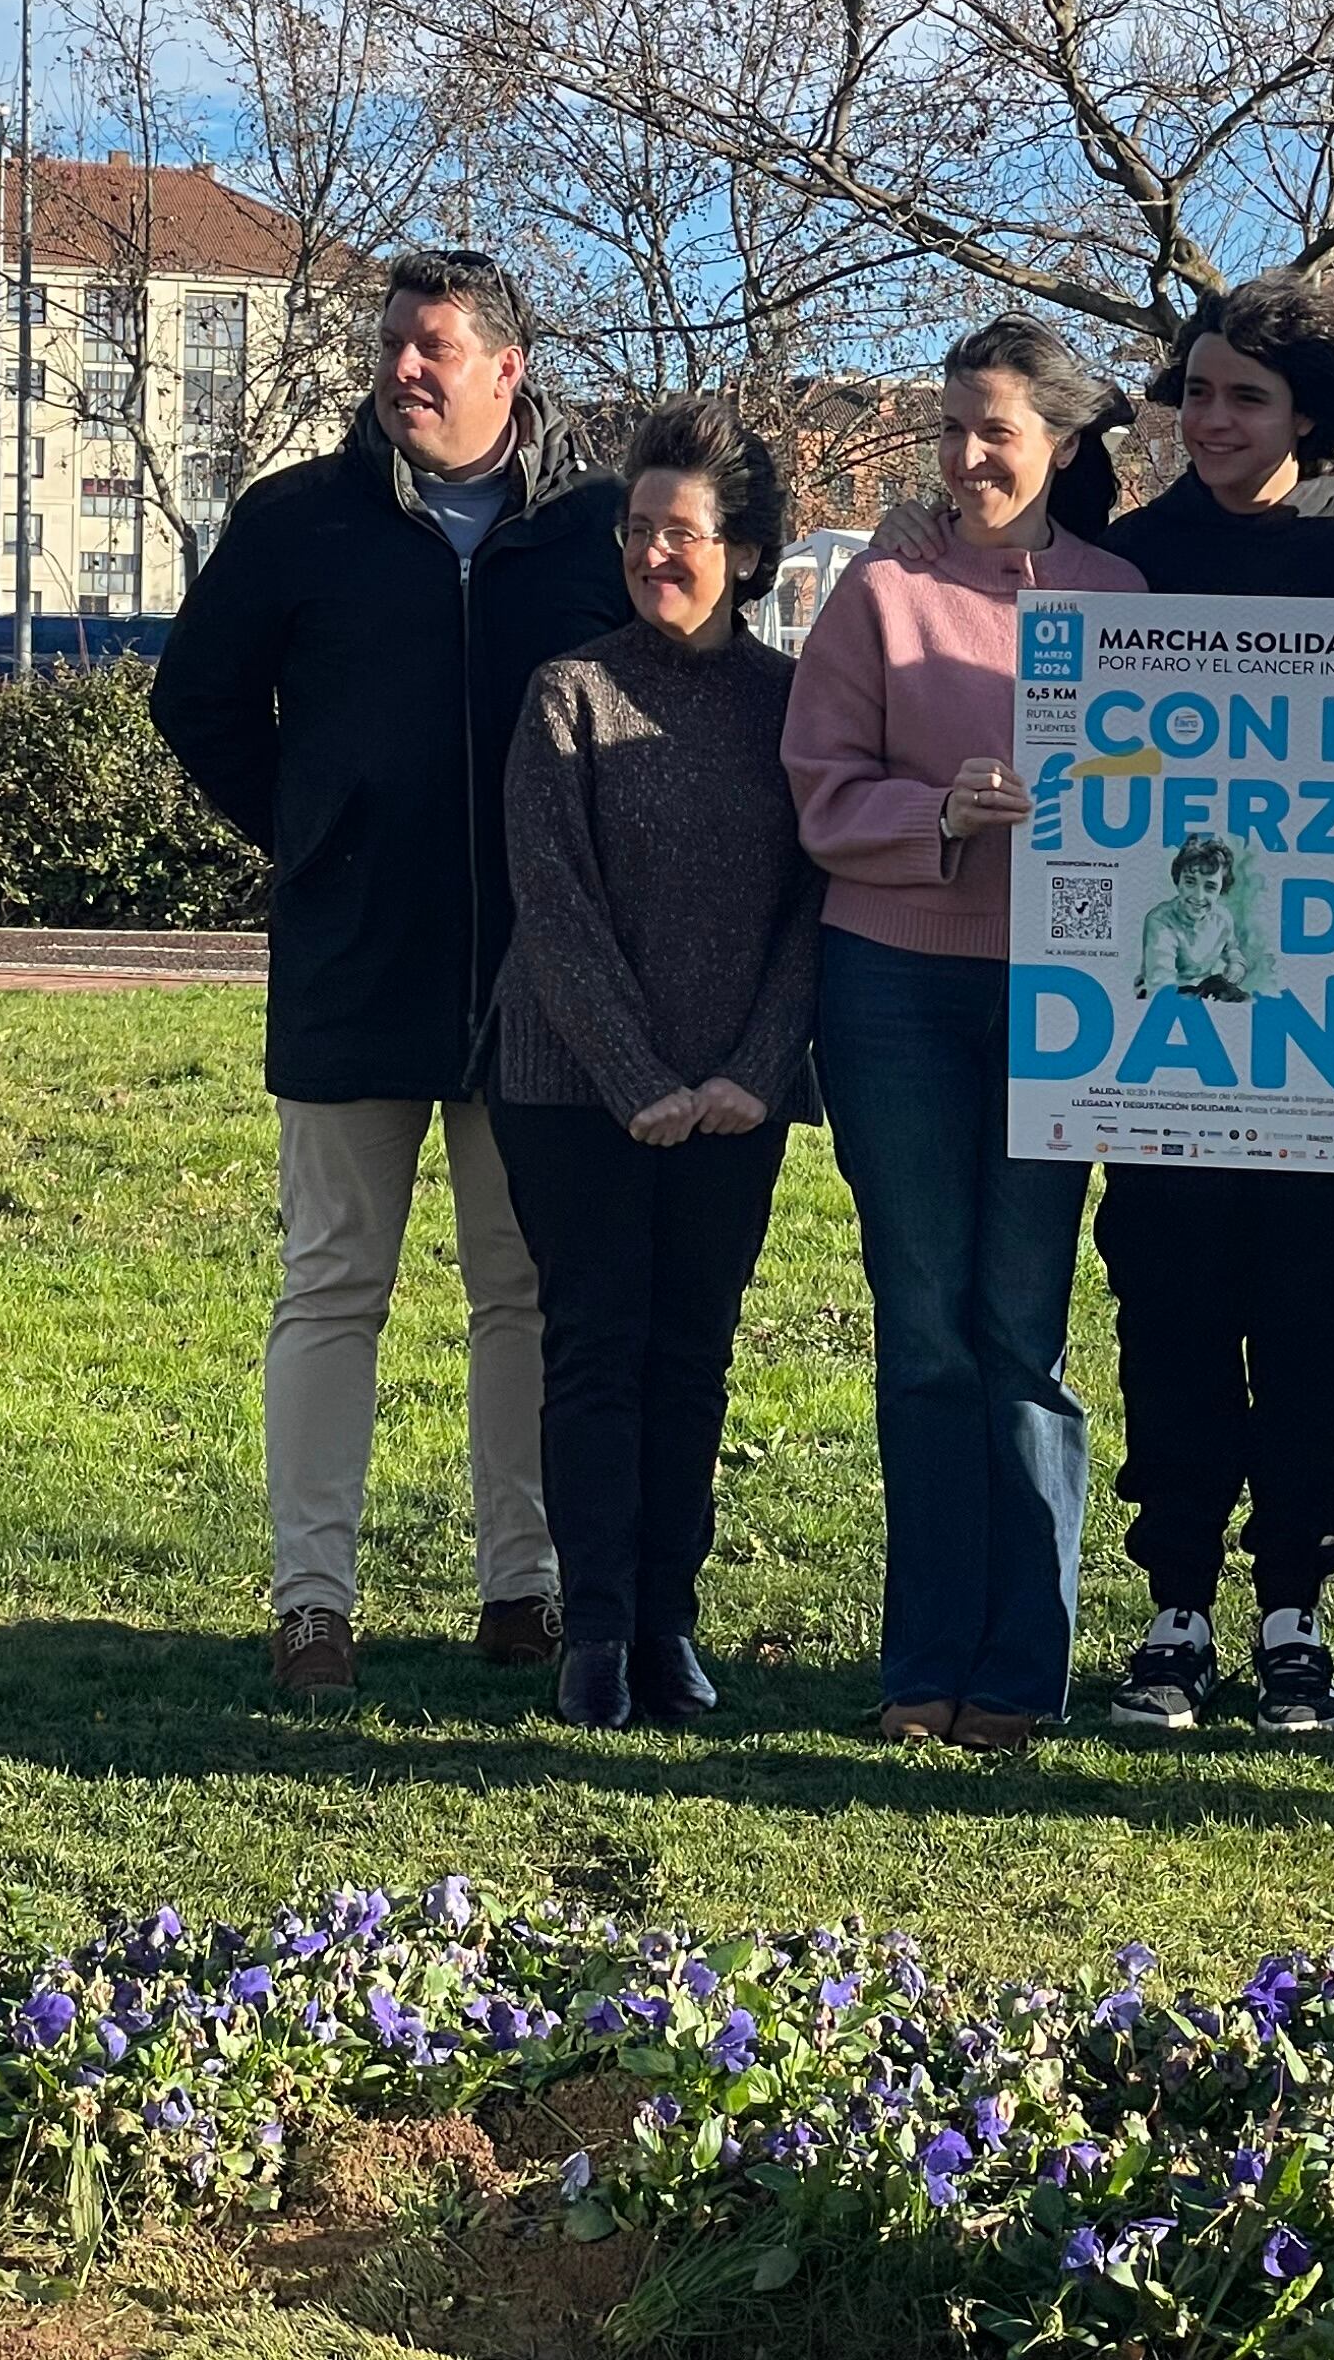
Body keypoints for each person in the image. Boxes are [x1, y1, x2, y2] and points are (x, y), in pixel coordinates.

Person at [152, 249, 629, 1707]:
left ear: (508, 367)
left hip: (540, 976)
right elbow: (198, 701)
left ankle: (522, 1588)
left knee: (523, 1290)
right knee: (331, 1286)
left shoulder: (599, 527)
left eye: (434, 347)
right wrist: (317, 837)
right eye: (392, 346)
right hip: (353, 963)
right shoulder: (295, 518)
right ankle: (312, 1605)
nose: (403, 370)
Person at [782, 315, 1146, 1751]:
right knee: (926, 1329)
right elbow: (818, 791)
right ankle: (923, 1658)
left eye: (996, 429)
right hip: (895, 990)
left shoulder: (1124, 597)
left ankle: (1023, 1668)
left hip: (1067, 1000)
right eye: (950, 428)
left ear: (1061, 440)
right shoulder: (879, 593)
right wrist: (933, 813)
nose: (967, 456)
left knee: (1025, 1334)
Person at [1087, 275, 1334, 1736]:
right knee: (1167, 1314)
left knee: (1320, 1324)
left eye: (1248, 398)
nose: (1211, 420)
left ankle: (1294, 1611)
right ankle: (1173, 1608)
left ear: (1311, 417)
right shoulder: (1121, 563)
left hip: (1333, 1033)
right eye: (1197, 392)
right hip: (1159, 1039)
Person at [487, 401, 824, 1733]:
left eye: (679, 532)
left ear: (747, 555)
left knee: (692, 1359)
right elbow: (552, 905)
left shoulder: (794, 706)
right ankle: (595, 1634)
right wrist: (638, 1083)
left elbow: (814, 908)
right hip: (571, 1090)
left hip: (734, 1100)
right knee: (594, 1351)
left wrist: (754, 1071)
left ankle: (669, 1626)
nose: (651, 554)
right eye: (636, 530)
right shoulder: (566, 693)